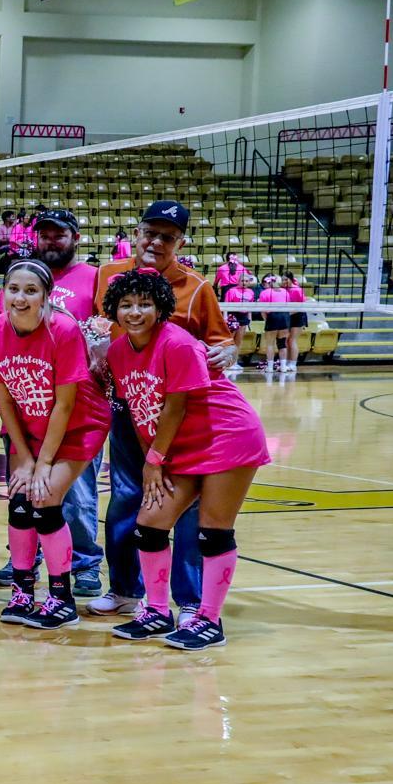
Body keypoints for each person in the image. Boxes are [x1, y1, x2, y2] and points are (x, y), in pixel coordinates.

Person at [102, 269, 267, 650]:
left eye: (145, 303)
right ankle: (158, 611)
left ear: (161, 307)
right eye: (126, 305)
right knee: (149, 525)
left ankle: (209, 620)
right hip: (177, 445)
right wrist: (153, 458)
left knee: (212, 531)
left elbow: (175, 406)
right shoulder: (117, 352)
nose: (135, 312)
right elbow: (142, 413)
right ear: (114, 309)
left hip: (226, 437)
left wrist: (154, 461)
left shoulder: (177, 343)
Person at [88, 200, 236, 622]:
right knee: (126, 498)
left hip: (180, 412)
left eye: (167, 237)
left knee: (186, 505)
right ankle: (125, 591)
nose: (156, 242)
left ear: (180, 243)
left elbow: (222, 342)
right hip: (127, 405)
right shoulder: (107, 275)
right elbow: (95, 327)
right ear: (135, 234)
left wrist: (226, 352)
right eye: (149, 233)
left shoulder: (198, 287)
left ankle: (189, 599)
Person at [0, 260, 111, 631]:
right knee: (19, 501)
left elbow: (65, 405)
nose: (20, 298)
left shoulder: (63, 330)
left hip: (78, 426)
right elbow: (4, 402)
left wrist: (43, 464)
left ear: (46, 296)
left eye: (31, 291)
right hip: (28, 425)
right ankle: (21, 591)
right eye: (13, 289)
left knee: (45, 499)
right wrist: (22, 458)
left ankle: (61, 598)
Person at [258, 274, 291, 373]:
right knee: (282, 344)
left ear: (267, 282)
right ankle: (283, 367)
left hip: (272, 316)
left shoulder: (265, 292)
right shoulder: (285, 291)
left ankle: (269, 367)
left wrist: (267, 320)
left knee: (270, 344)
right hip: (285, 317)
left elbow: (262, 310)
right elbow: (288, 306)